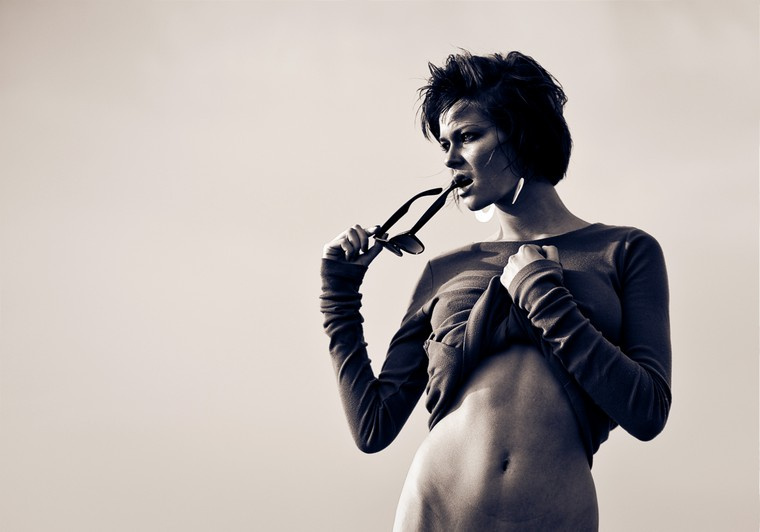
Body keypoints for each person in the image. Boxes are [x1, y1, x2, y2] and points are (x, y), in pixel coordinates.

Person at [320, 51, 671, 531]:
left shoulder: (625, 250)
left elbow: (648, 412)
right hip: (435, 512)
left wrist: (544, 299)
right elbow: (373, 426)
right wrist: (339, 294)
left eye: (468, 136)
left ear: (521, 134)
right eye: (445, 143)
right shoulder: (444, 271)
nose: (450, 159)